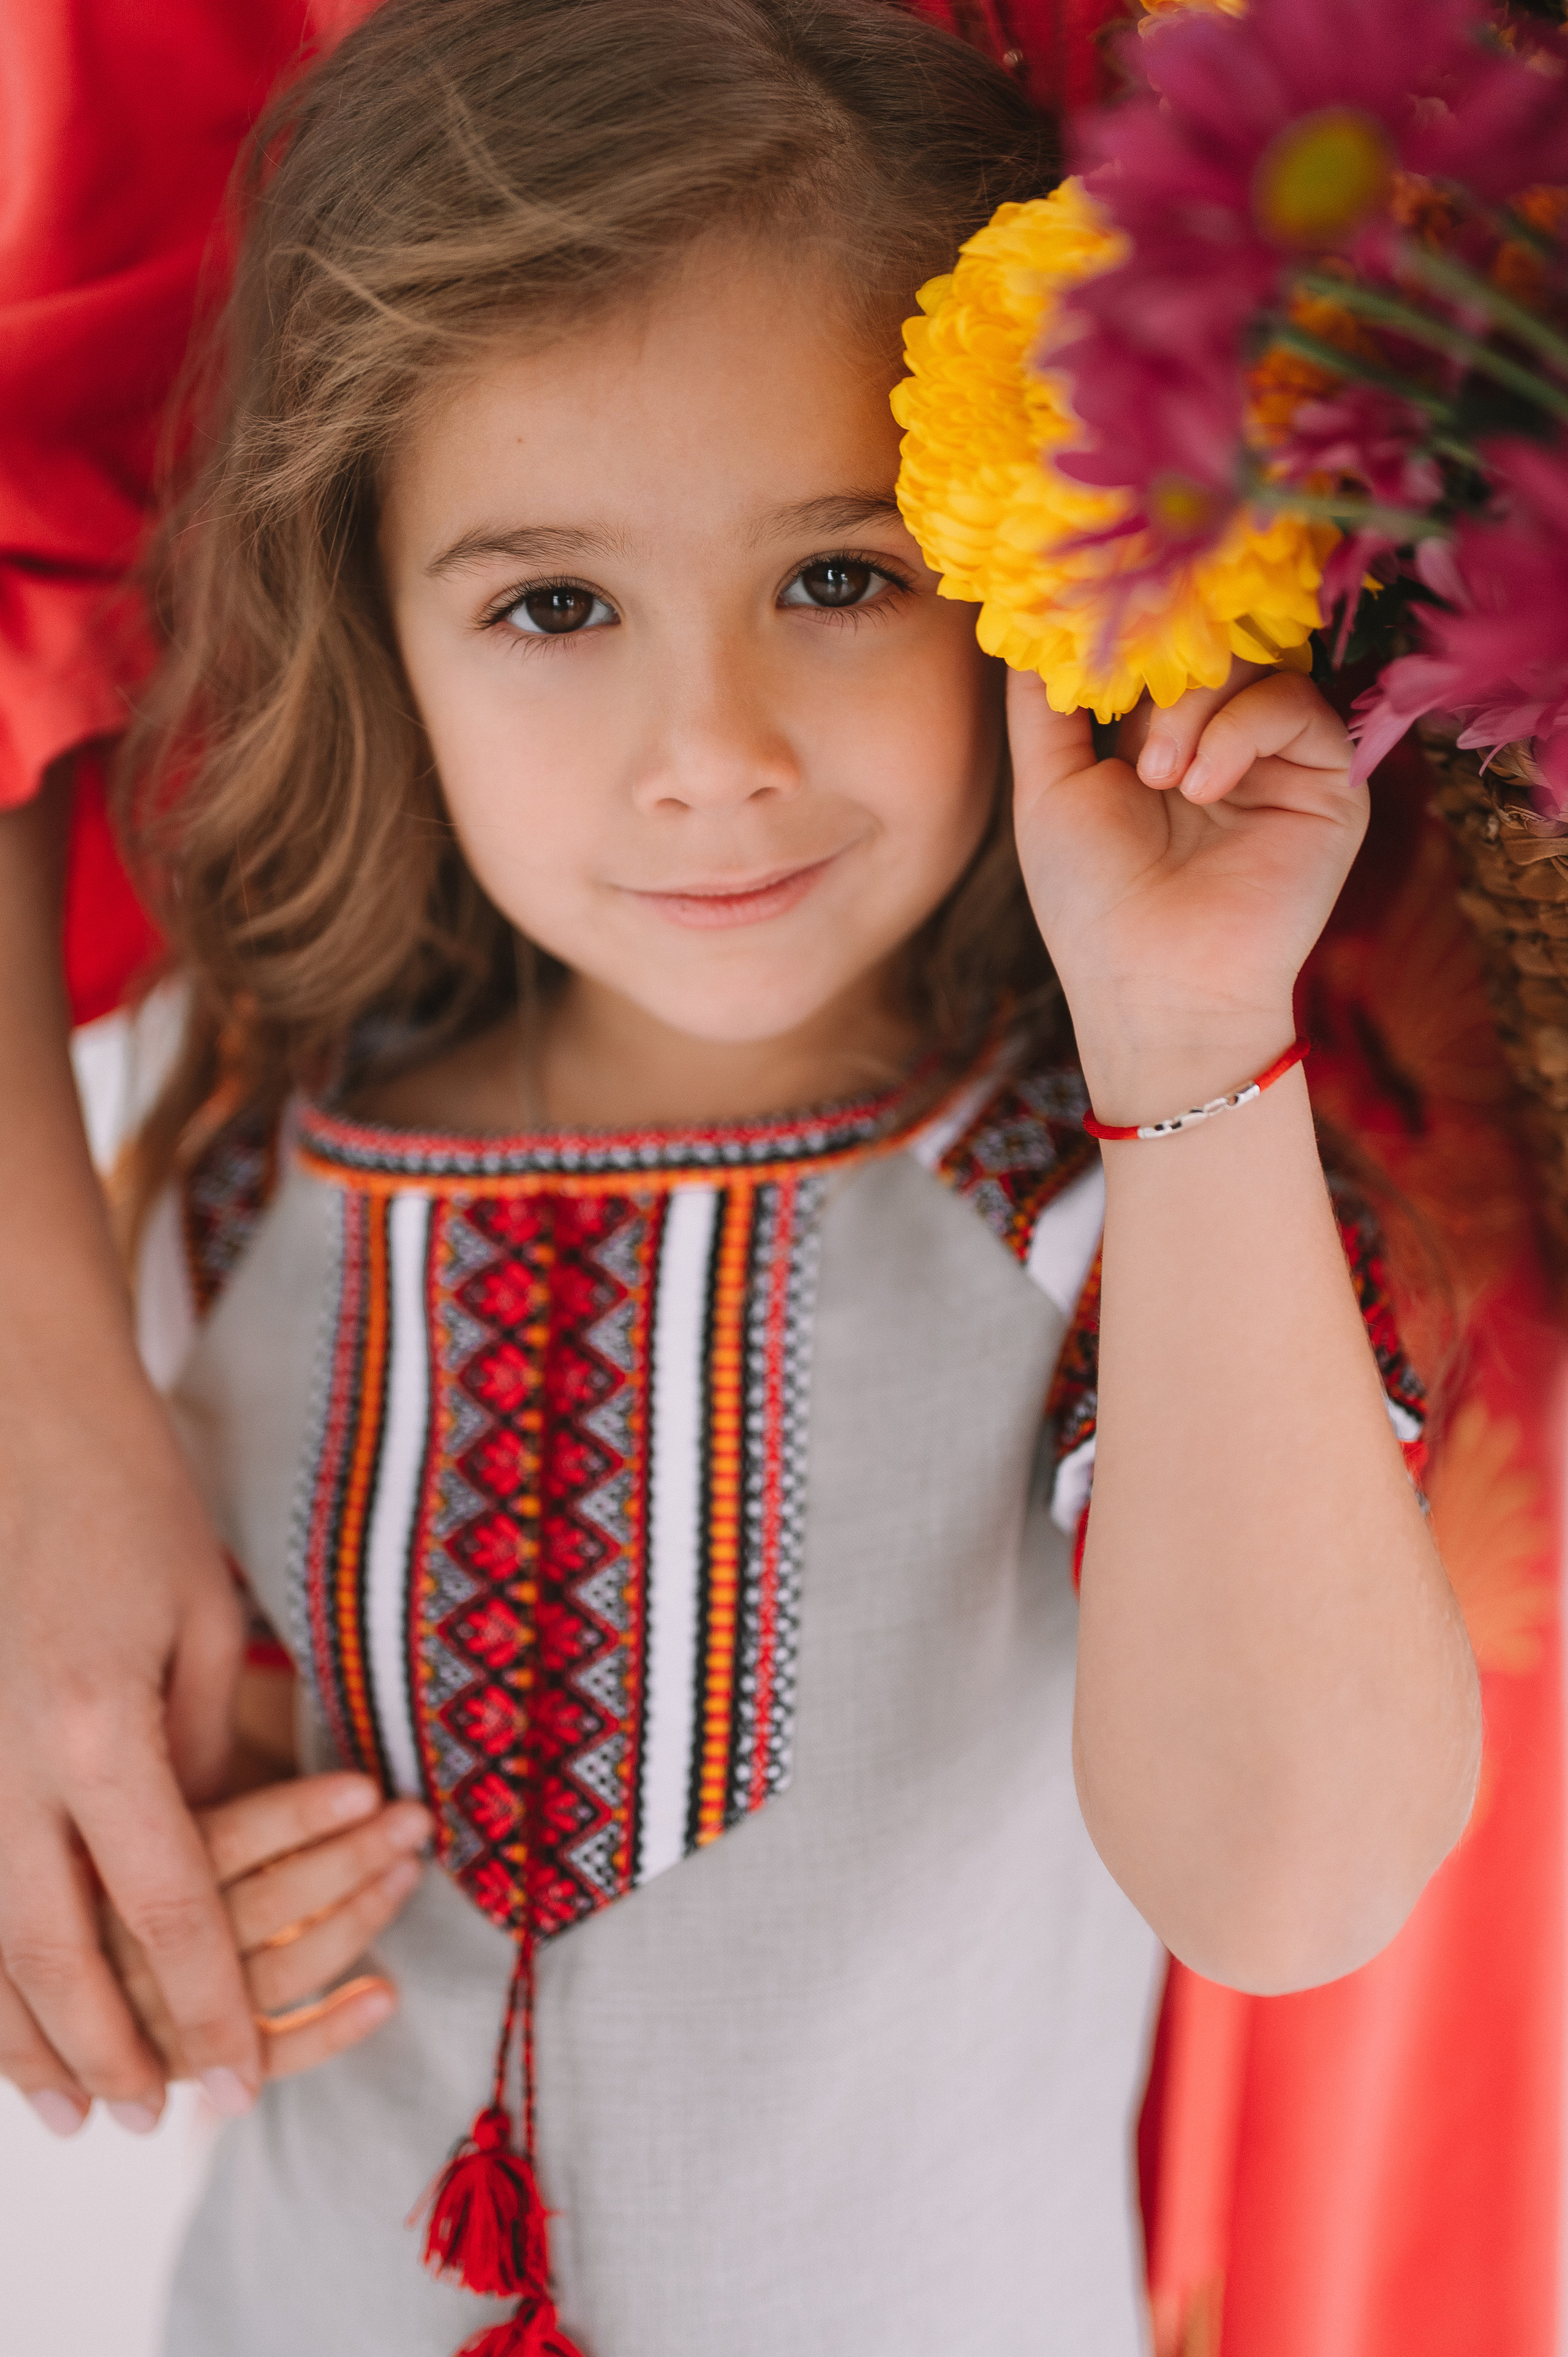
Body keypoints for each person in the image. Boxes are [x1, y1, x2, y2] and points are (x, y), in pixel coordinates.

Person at [6, 1, 1480, 2351]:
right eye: (553, 606)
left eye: (838, 579)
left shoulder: (1103, 1182)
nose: (712, 755)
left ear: (1026, 571)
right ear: (369, 624)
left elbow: (1290, 1885)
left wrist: (1194, 1047)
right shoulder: (246, 1159)